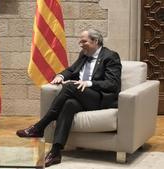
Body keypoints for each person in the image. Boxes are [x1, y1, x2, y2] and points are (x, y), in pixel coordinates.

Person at [16, 29, 122, 167]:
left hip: (100, 99)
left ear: (95, 41)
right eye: (80, 41)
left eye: (84, 41)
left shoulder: (110, 56)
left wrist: (89, 83)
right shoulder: (84, 55)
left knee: (70, 87)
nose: (80, 44)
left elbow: (112, 84)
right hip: (82, 97)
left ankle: (40, 126)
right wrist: (60, 76)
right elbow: (71, 70)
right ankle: (55, 152)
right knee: (69, 104)